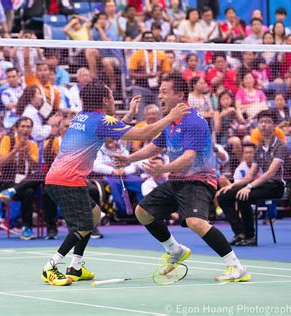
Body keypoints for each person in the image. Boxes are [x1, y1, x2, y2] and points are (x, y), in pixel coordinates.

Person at [41, 80, 190, 286]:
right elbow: (143, 133)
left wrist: (128, 115)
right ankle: (51, 266)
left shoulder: (82, 117)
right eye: (111, 96)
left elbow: (112, 128)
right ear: (104, 100)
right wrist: (171, 117)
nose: (113, 98)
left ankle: (75, 266)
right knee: (84, 225)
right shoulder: (101, 121)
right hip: (67, 181)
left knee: (93, 214)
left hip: (60, 178)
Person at [115, 73, 251, 282]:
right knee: (143, 212)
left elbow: (189, 157)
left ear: (179, 95)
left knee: (195, 221)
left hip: (199, 180)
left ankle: (235, 267)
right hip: (178, 181)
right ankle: (175, 250)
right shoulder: (170, 121)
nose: (160, 96)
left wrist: (162, 169)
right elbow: (154, 146)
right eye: (159, 92)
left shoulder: (194, 122)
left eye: (164, 92)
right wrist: (129, 159)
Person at [217, 110, 287, 246]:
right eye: (261, 122)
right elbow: (250, 175)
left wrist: (248, 187)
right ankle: (240, 233)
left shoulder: (280, 146)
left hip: (275, 186)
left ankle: (250, 236)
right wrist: (230, 186)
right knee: (223, 197)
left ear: (274, 126)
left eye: (267, 122)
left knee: (243, 196)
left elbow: (270, 173)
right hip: (261, 184)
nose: (263, 125)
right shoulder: (259, 148)